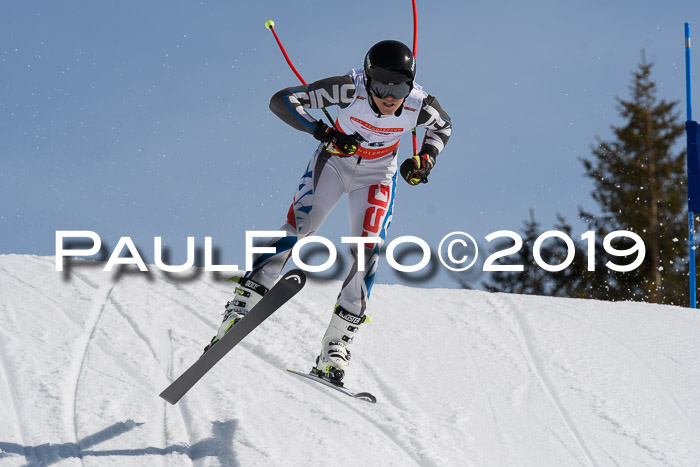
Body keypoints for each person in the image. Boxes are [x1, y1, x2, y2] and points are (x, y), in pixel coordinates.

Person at [205, 39, 452, 385]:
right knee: (302, 225)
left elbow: (443, 127)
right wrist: (325, 132)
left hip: (378, 175)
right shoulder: (349, 88)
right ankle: (241, 306)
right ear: (367, 79)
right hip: (334, 164)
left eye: (399, 85)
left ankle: (336, 345)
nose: (390, 95)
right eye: (381, 84)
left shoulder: (418, 104)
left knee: (367, 249)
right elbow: (282, 101)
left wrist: (425, 160)